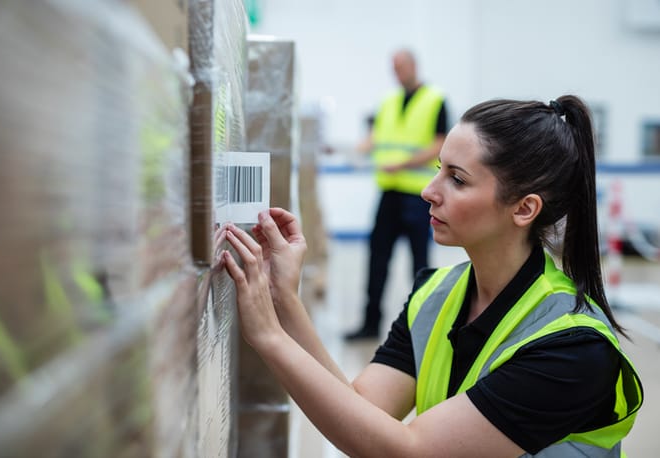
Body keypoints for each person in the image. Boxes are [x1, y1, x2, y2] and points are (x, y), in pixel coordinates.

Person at [221, 95, 643, 457]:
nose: (429, 189)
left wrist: (269, 338)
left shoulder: (573, 349)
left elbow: (411, 450)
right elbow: (364, 409)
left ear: (523, 209)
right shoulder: (435, 295)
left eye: (457, 179)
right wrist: (284, 300)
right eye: (439, 168)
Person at [347, 49, 449, 340]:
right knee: (377, 260)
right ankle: (370, 324)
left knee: (420, 264)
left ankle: (423, 327)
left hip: (420, 196)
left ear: (414, 66)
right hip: (389, 194)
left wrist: (403, 163)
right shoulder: (388, 102)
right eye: (393, 68)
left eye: (400, 66)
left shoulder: (435, 100)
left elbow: (439, 144)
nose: (397, 73)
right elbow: (376, 136)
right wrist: (357, 150)